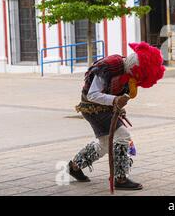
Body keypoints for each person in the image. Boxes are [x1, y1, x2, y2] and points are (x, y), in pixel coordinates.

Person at [67, 42, 165, 190]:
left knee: (105, 144)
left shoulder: (128, 74)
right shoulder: (109, 67)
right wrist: (115, 100)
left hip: (105, 109)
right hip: (93, 108)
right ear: (134, 69)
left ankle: (74, 166)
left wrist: (118, 105)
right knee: (123, 136)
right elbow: (92, 95)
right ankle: (120, 178)